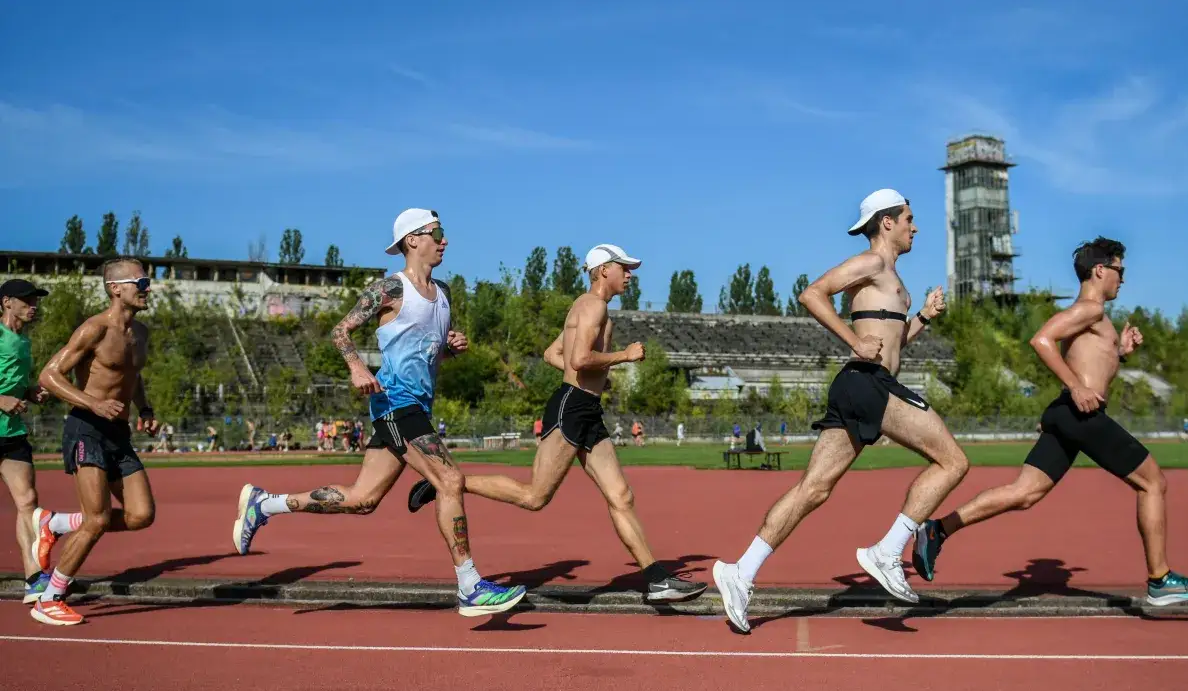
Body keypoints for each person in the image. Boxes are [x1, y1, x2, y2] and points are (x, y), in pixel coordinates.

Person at [232, 208, 525, 617]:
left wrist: (449, 348)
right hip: (394, 402)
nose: (444, 240)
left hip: (416, 404)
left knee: (363, 499)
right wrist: (356, 366)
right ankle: (470, 584)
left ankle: (265, 505)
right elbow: (341, 330)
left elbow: (425, 353)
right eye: (436, 233)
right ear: (412, 240)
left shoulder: (444, 293)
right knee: (450, 480)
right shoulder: (390, 288)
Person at [712, 189, 965, 633]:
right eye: (909, 217)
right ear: (886, 222)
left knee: (814, 489)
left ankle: (741, 572)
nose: (915, 226)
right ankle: (887, 551)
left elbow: (891, 342)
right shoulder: (871, 263)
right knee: (953, 461)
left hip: (859, 385)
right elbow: (812, 294)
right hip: (868, 383)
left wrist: (922, 317)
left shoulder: (893, 281)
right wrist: (853, 342)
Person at [912, 237, 1188, 606]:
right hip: (1081, 414)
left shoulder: (1096, 318)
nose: (1123, 279)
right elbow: (1041, 340)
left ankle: (937, 530)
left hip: (1069, 413)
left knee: (1024, 493)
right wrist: (1075, 387)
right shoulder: (1089, 310)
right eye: (1120, 270)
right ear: (1100, 270)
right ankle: (1160, 578)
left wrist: (1121, 352)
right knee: (1153, 483)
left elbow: (1091, 363)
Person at [407, 244, 705, 603]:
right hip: (572, 408)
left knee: (621, 495)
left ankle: (657, 579)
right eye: (624, 268)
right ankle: (448, 483)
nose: (630, 275)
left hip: (587, 408)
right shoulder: (592, 305)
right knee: (535, 496)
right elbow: (578, 359)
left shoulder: (592, 307)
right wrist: (622, 357)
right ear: (603, 270)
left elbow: (555, 355)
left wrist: (597, 379)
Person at [34, 258, 160, 626]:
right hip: (86, 427)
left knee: (141, 515)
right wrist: (94, 402)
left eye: (147, 280)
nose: (147, 288)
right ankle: (51, 597)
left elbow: (132, 376)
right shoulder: (95, 329)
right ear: (115, 288)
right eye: (141, 281)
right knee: (97, 520)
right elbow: (48, 375)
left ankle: (56, 524)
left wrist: (145, 407)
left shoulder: (142, 333)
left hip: (118, 433)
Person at [0, 279, 84, 605]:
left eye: (35, 300)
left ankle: (34, 577)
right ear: (7, 302)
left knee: (28, 503)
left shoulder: (22, 342)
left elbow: (12, 385)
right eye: (26, 300)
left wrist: (29, 393)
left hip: (11, 435)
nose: (33, 305)